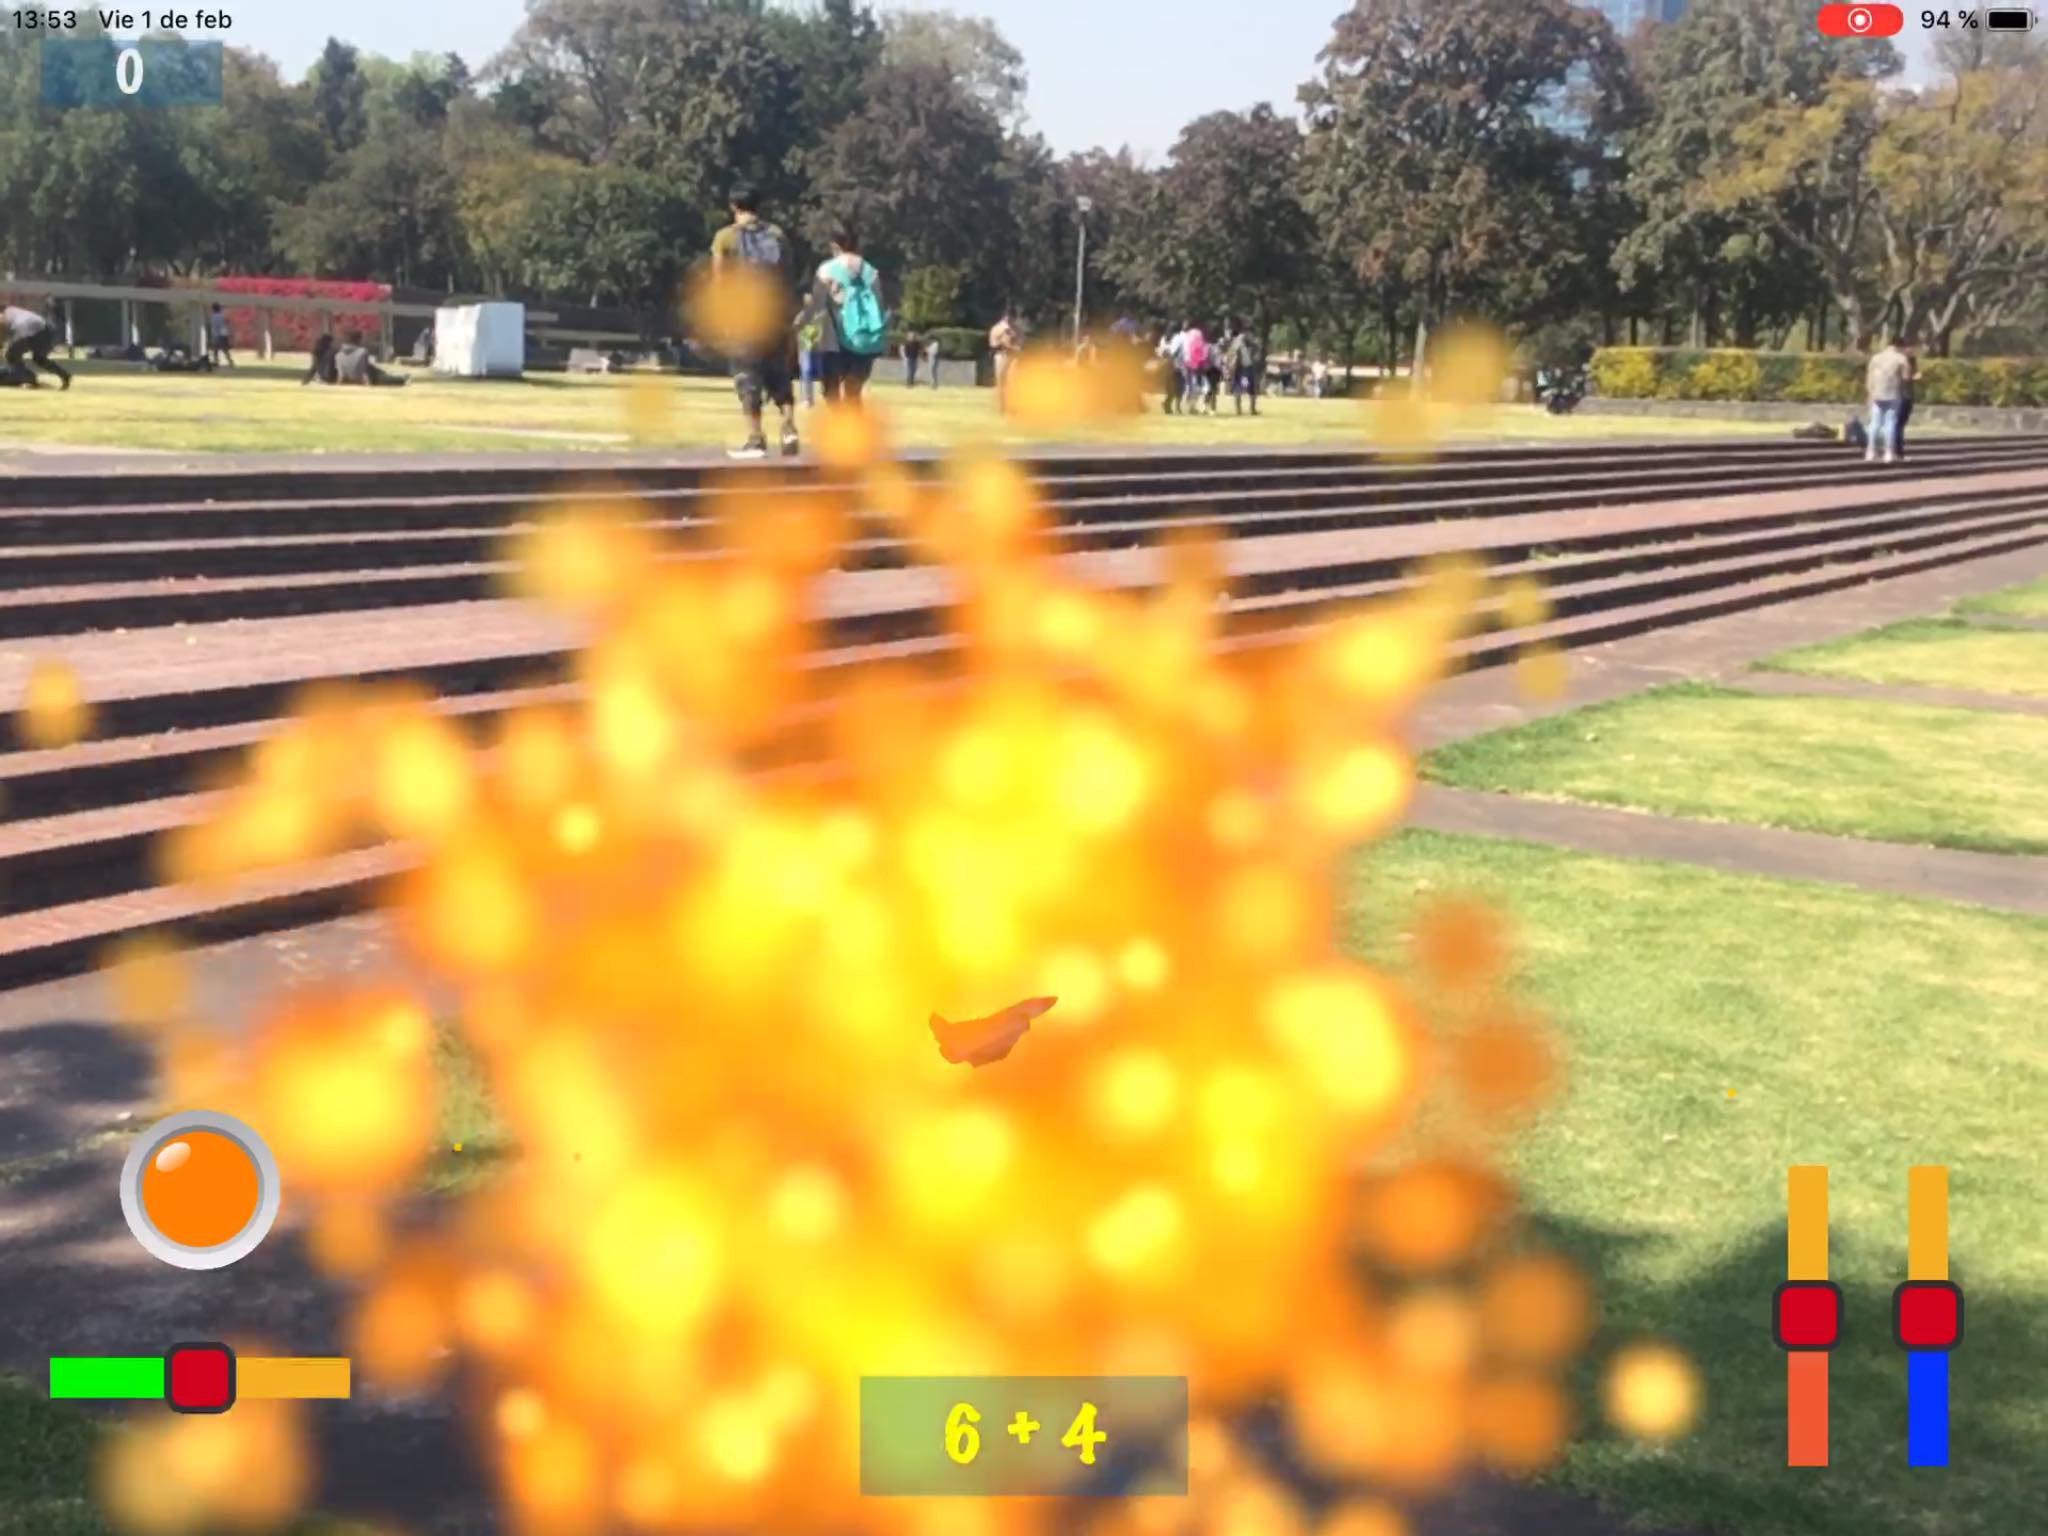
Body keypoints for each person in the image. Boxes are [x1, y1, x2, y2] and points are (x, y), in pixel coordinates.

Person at [709, 184, 800, 459]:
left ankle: (756, 437)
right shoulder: (777, 235)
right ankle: (789, 427)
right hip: (775, 316)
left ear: (733, 206)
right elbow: (788, 277)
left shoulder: (725, 237)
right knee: (779, 375)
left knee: (747, 377)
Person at [796, 227, 888, 404]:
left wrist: (803, 321)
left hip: (833, 338)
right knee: (853, 394)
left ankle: (837, 420)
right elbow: (879, 306)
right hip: (862, 338)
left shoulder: (827, 270)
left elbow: (816, 304)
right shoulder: (871, 272)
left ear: (834, 245)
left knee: (831, 391)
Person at [1864, 334, 1911, 465]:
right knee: (1890, 423)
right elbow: (1906, 377)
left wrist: (1869, 392)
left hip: (1876, 393)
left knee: (1874, 423)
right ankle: (1888, 453)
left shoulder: (1876, 357)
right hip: (1893, 394)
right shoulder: (1901, 358)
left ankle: (1870, 451)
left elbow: (1869, 376)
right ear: (1900, 346)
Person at [3, 304, 72, 389]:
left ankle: (28, 378)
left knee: (11, 356)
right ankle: (64, 374)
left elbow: (3, 329)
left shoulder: (6, 314)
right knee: (39, 358)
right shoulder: (15, 311)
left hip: (26, 329)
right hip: (45, 329)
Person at [333, 330, 406, 386]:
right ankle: (402, 379)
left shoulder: (338, 355)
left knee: (377, 370)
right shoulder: (362, 351)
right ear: (358, 339)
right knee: (389, 377)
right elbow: (365, 371)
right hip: (365, 378)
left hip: (347, 379)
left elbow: (340, 374)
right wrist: (368, 384)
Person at [989, 308, 1023, 410]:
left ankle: (1012, 406)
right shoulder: (998, 328)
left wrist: (1016, 347)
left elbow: (1020, 341)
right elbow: (994, 343)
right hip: (1002, 355)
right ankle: (1002, 406)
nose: (1011, 320)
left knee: (1012, 381)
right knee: (1002, 381)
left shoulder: (1016, 329)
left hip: (1012, 357)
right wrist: (1008, 346)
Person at [1895, 339, 1918, 464]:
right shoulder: (1899, 361)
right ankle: (1897, 451)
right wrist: (1913, 377)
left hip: (1908, 396)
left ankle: (1898, 450)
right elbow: (1904, 378)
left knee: (1900, 424)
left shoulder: (1912, 361)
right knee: (1896, 424)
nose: (1912, 350)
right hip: (1899, 396)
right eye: (1909, 347)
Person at [1180, 320, 1208, 413]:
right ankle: (1192, 406)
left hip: (1188, 364)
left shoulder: (1186, 335)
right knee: (1197, 386)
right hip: (1196, 364)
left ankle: (1191, 406)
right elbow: (1201, 348)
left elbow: (1187, 350)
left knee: (1191, 386)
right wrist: (1203, 361)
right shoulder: (1196, 334)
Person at [798, 319, 822, 407]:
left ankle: (825, 395)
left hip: (820, 336)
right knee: (807, 369)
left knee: (820, 369)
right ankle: (808, 399)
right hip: (806, 339)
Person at [207, 302, 235, 368]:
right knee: (225, 349)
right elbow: (226, 323)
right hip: (223, 334)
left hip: (217, 335)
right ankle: (230, 362)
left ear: (213, 309)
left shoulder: (213, 317)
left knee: (215, 349)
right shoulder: (222, 316)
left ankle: (216, 361)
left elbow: (214, 327)